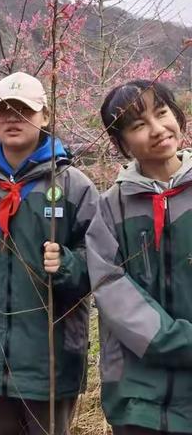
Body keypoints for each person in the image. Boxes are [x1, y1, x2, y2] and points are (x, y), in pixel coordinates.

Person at [0, 72, 98, 435]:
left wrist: (69, 264)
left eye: (23, 110)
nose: (12, 118)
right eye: (3, 109)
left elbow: (105, 260)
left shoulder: (73, 185)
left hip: (51, 352)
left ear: (45, 116)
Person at [87, 79, 192, 435]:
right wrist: (178, 340)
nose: (157, 129)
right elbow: (110, 286)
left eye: (162, 114)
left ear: (178, 116)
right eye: (138, 125)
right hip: (136, 394)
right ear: (121, 143)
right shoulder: (110, 208)